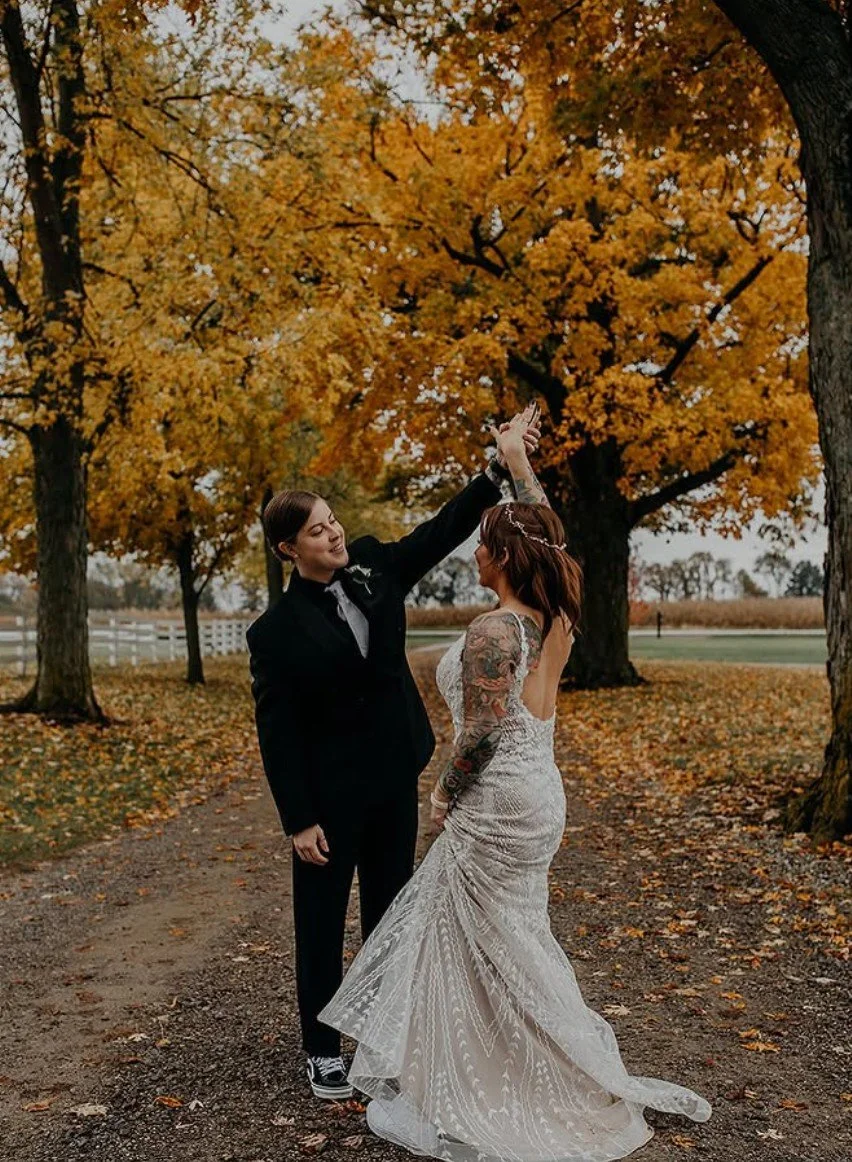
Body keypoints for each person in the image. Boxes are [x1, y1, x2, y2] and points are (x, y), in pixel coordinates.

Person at [319, 414, 712, 1160]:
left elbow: (484, 732)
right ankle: (519, 1057)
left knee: (478, 939)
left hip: (496, 800)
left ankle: (499, 1078)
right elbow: (551, 537)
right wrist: (512, 462)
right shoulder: (555, 609)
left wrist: (440, 794)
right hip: (539, 794)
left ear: (503, 555)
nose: (474, 554)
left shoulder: (496, 632)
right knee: (509, 941)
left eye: (484, 545)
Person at [246, 407, 541, 1101]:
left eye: (333, 519)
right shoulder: (274, 633)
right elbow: (276, 733)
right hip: (327, 799)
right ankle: (322, 1048)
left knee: (389, 914)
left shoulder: (375, 565)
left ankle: (381, 1036)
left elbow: (439, 534)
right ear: (288, 549)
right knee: (319, 926)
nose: (334, 532)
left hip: (393, 779)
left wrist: (494, 473)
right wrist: (298, 818)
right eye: (317, 529)